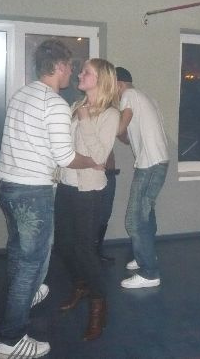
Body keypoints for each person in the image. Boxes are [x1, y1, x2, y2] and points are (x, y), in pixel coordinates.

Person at [0, 40, 100, 359]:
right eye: (70, 66)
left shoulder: (21, 94)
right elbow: (65, 157)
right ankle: (11, 341)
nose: (72, 72)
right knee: (31, 263)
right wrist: (92, 161)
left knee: (19, 251)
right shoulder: (54, 103)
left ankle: (25, 296)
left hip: (6, 185)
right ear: (59, 66)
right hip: (31, 191)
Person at [54, 58, 120, 341]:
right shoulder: (75, 106)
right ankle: (81, 284)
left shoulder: (110, 114)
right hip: (66, 185)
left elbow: (100, 157)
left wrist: (84, 121)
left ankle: (98, 305)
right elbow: (65, 149)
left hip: (89, 191)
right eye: (81, 71)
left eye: (86, 72)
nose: (80, 74)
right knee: (63, 244)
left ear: (101, 80)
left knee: (84, 249)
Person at [115, 67, 169, 289]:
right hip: (158, 162)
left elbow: (119, 126)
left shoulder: (128, 95)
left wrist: (102, 118)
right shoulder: (147, 98)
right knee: (146, 213)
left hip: (150, 165)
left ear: (118, 84)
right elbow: (126, 136)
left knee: (134, 219)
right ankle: (146, 256)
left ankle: (149, 273)